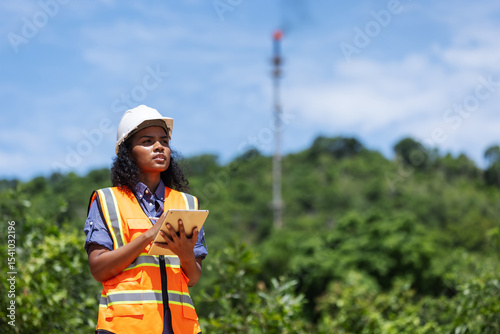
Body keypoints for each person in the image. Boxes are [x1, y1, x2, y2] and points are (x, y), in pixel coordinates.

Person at [84, 105, 207, 334]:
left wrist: (185, 254)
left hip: (182, 328)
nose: (159, 147)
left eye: (164, 141)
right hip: (126, 327)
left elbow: (193, 277)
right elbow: (98, 270)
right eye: (148, 141)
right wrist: (149, 235)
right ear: (128, 152)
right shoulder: (107, 200)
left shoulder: (188, 204)